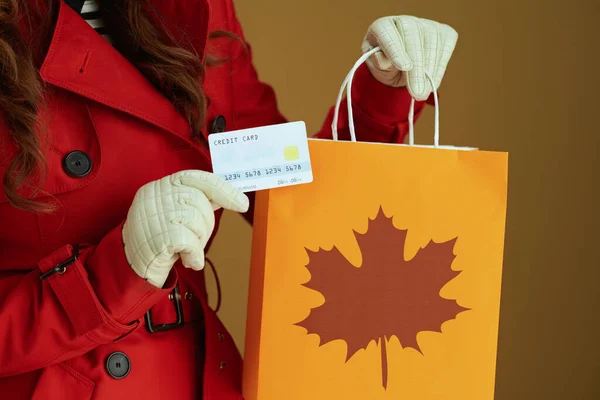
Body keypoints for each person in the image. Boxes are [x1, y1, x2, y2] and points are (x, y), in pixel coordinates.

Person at [0, 0, 458, 399]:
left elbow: (284, 194)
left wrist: (383, 95)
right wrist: (109, 276)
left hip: (197, 376)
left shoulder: (197, 7)